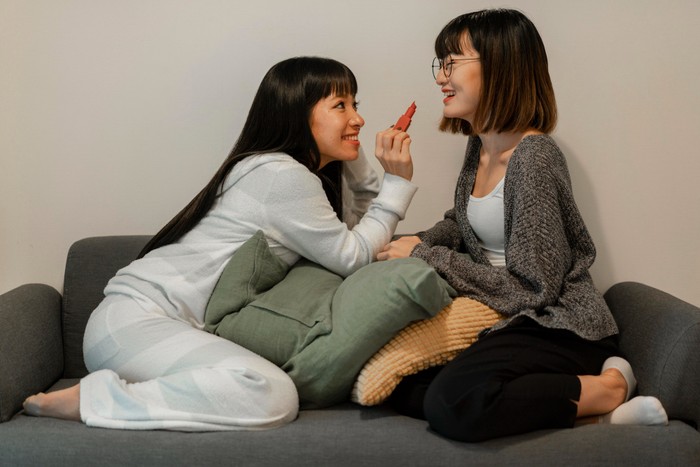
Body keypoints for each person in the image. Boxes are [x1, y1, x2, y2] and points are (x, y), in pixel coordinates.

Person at [23, 56, 417, 431]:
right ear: (297, 113)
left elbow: (353, 237)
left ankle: (109, 396)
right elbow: (354, 256)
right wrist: (397, 182)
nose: (358, 118)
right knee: (273, 393)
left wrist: (353, 152)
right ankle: (96, 400)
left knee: (269, 390)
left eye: (355, 104)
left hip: (137, 326)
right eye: (340, 105)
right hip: (133, 323)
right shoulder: (282, 177)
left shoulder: (274, 171)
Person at [377, 9, 668, 442]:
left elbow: (534, 288)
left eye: (452, 62)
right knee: (395, 385)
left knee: (452, 402)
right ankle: (595, 417)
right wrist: (412, 240)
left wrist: (424, 254)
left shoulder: (534, 158)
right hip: (509, 316)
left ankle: (610, 386)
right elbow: (464, 221)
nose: (441, 77)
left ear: (500, 65)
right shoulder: (480, 147)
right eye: (440, 63)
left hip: (556, 323)